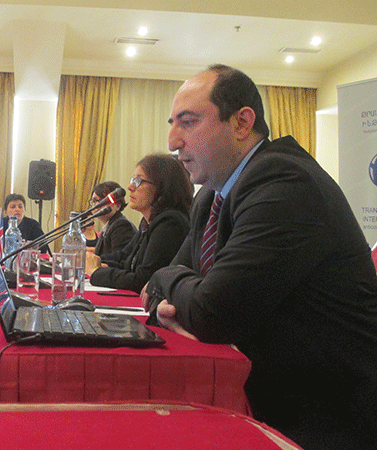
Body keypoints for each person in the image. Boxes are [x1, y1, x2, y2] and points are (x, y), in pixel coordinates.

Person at [141, 64, 377, 450]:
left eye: (188, 122)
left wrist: (168, 285)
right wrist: (171, 287)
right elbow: (170, 281)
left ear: (241, 122)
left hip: (328, 420)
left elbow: (211, 311)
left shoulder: (284, 180)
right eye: (173, 124)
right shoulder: (211, 195)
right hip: (263, 400)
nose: (172, 141)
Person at [85, 154, 193, 293]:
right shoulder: (148, 222)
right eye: (133, 180)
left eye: (139, 181)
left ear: (162, 188)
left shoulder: (170, 224)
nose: (130, 187)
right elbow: (124, 258)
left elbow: (142, 279)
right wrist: (93, 261)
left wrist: (96, 272)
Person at [89, 181, 137, 256]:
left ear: (118, 206)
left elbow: (118, 259)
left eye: (103, 201)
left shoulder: (122, 226)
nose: (97, 205)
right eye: (94, 201)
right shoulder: (109, 225)